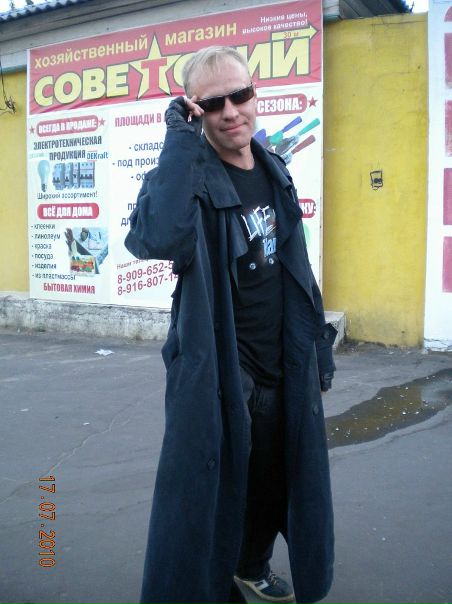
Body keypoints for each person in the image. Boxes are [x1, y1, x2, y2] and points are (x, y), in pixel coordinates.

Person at [124, 45, 337, 604]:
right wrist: (179, 139)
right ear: (194, 109)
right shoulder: (190, 179)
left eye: (239, 95)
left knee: (272, 484)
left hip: (282, 362)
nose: (230, 112)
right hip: (222, 373)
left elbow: (296, 266)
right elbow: (156, 237)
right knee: (212, 495)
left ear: (254, 92)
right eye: (212, 103)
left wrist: (318, 348)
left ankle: (251, 565)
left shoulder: (273, 167)